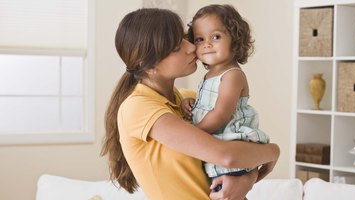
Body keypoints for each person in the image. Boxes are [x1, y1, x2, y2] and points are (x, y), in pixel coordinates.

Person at [101, 7, 280, 200]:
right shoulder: (137, 108)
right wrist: (272, 152)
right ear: (150, 65)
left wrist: (246, 178)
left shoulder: (192, 99)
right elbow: (228, 156)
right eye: (177, 47)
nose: (192, 47)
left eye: (186, 38)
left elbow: (238, 152)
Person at [182, 4, 271, 193]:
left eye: (216, 37)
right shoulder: (209, 76)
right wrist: (191, 104)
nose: (207, 44)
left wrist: (192, 133)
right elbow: (206, 106)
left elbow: (220, 114)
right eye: (199, 39)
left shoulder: (232, 75)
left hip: (230, 155)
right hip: (216, 155)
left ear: (235, 39)